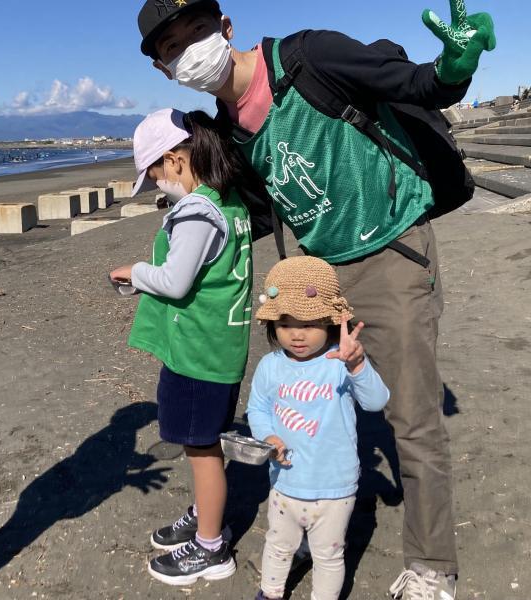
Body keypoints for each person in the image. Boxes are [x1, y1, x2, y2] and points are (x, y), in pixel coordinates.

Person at [137, 1, 496, 596]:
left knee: (413, 417)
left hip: (391, 252)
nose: (191, 49)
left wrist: (453, 68)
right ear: (163, 68)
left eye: (198, 29)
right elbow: (250, 212)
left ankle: (432, 566)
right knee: (311, 407)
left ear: (227, 29)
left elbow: (418, 84)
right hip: (314, 279)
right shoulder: (227, 133)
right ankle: (316, 519)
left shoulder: (310, 57)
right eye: (172, 46)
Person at [110, 108, 253, 585]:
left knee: (202, 448)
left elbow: (174, 281)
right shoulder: (230, 204)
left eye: (154, 174)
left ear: (174, 160)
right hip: (220, 347)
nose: (155, 185)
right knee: (203, 443)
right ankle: (204, 514)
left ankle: (211, 547)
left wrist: (134, 272)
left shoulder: (197, 211)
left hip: (199, 354)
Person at [246, 256, 389, 600]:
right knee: (278, 546)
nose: (296, 334)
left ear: (329, 321)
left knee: (329, 555)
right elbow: (258, 409)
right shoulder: (270, 366)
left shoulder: (340, 361)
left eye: (309, 323)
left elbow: (376, 401)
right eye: (284, 324)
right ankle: (270, 591)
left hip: (334, 487)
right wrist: (267, 436)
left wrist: (357, 366)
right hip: (284, 482)